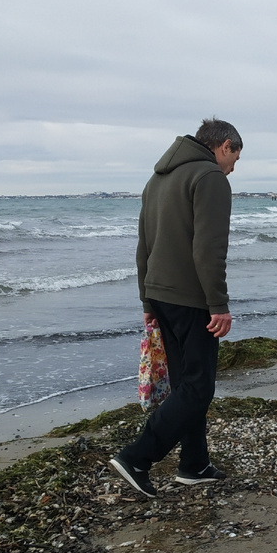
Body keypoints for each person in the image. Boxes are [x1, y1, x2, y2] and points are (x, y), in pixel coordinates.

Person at [108, 118, 242, 499]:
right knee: (199, 388)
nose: (233, 166)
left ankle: (194, 464)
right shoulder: (210, 177)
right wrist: (218, 304)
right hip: (191, 297)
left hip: (161, 294)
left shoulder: (156, 180)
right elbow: (209, 249)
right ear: (225, 145)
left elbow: (143, 246)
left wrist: (147, 300)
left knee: (186, 385)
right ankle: (137, 457)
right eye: (235, 156)